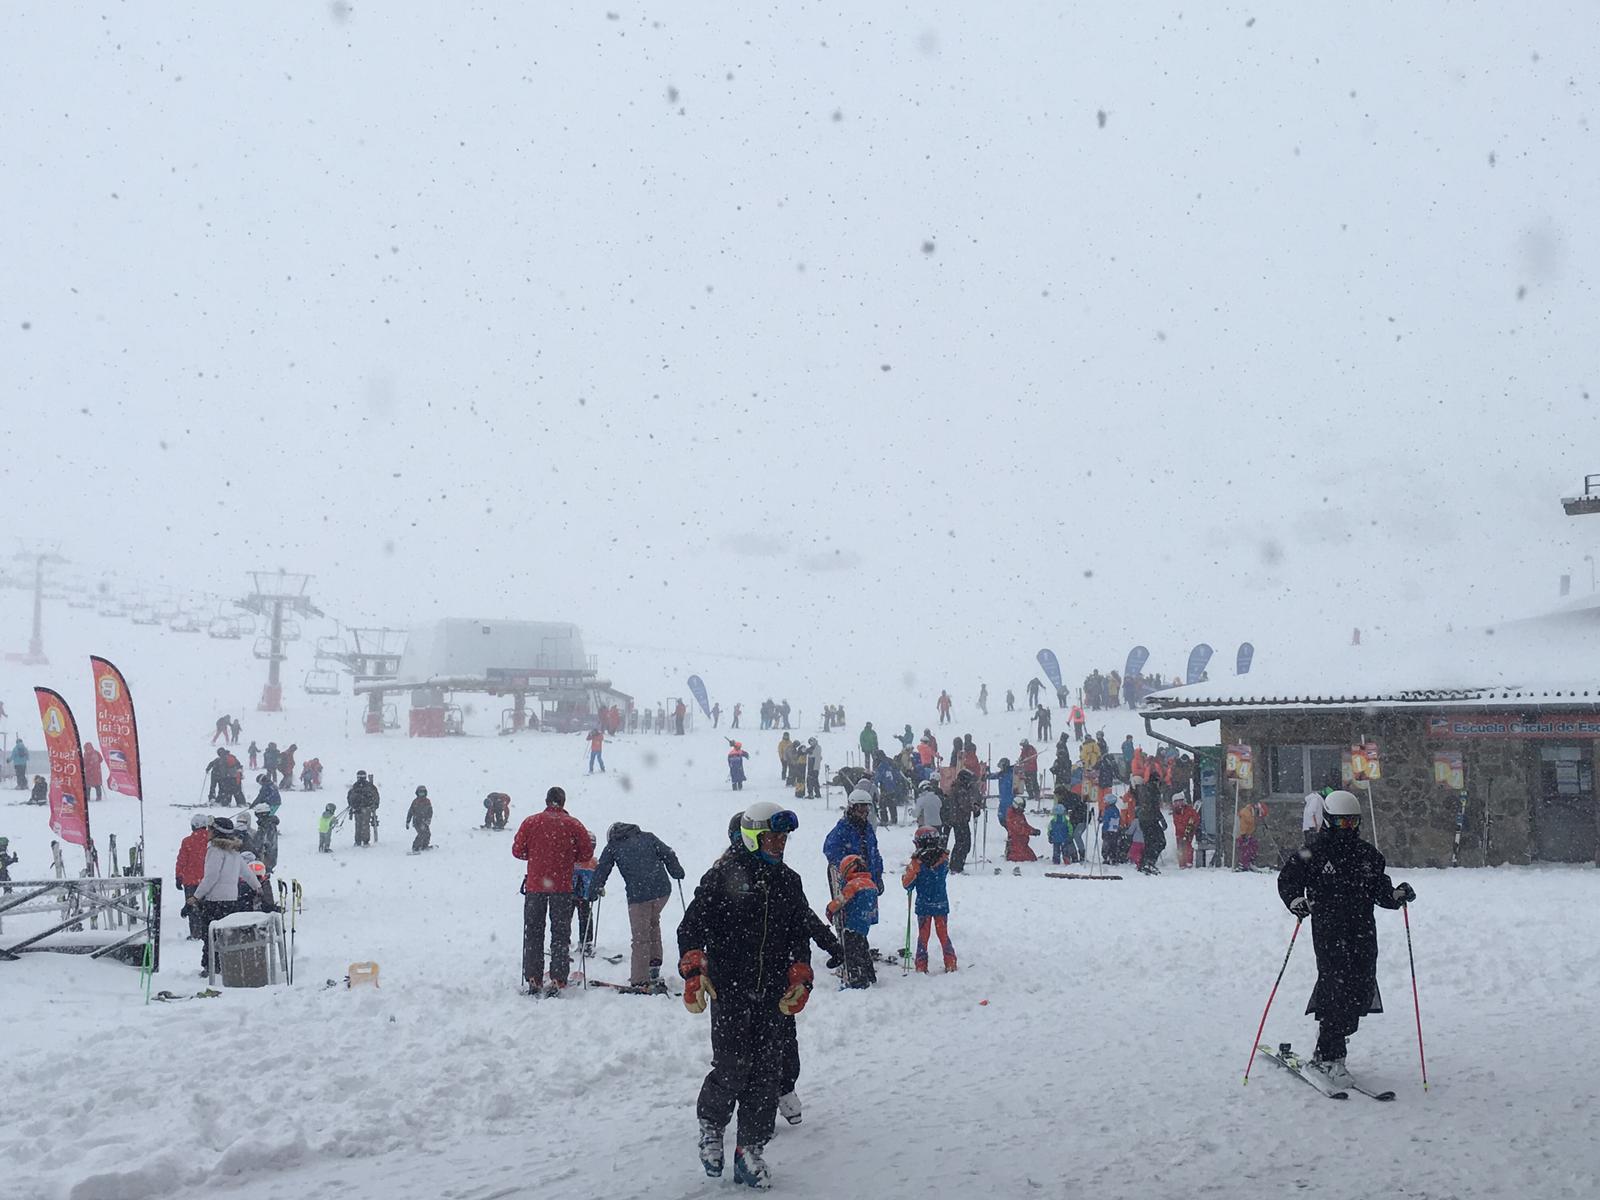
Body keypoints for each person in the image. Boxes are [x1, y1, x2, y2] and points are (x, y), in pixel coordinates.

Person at [678, 800, 816, 1189]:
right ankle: (711, 1125)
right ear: (753, 837)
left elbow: (797, 935)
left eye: (784, 838)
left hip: (772, 995)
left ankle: (750, 1150)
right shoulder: (723, 876)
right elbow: (690, 929)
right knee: (732, 1066)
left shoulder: (789, 882)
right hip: (731, 991)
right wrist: (693, 968)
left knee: (766, 1075)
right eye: (772, 837)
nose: (780, 844)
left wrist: (800, 974)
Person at [1277, 790, 1416, 1083]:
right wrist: (1295, 901)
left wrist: (1397, 894)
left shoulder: (1368, 855)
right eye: (1340, 823)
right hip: (1329, 930)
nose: (1347, 829)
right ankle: (1330, 1055)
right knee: (1335, 987)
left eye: (1352, 823)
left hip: (1362, 929)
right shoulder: (1312, 852)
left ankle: (1334, 1042)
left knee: (1361, 988)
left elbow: (1381, 891)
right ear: (1328, 821)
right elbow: (1287, 880)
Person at [512, 786, 595, 997]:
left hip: (535, 886)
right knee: (560, 933)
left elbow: (517, 850)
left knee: (533, 932)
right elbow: (586, 853)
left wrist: (536, 855)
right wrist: (567, 855)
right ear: (563, 802)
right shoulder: (573, 825)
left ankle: (533, 977)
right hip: (562, 886)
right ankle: (558, 978)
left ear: (547, 800)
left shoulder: (531, 822)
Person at [591, 822, 685, 991]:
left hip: (639, 895)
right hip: (662, 891)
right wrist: (676, 870)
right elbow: (668, 853)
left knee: (640, 936)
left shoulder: (613, 846)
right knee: (653, 923)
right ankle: (654, 964)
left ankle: (640, 979)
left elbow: (602, 868)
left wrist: (594, 888)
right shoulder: (648, 837)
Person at [186, 816, 267, 973]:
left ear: (216, 832)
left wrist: (196, 896)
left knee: (210, 935)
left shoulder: (214, 851)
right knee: (227, 934)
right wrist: (258, 888)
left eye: (210, 829)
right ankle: (227, 964)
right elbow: (247, 873)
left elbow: (211, 877)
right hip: (231, 899)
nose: (207, 831)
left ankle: (211, 967)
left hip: (214, 899)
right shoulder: (234, 852)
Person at [902, 826, 957, 972]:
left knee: (923, 936)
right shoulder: (944, 859)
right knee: (943, 934)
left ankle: (921, 964)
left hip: (924, 905)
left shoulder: (917, 863)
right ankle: (950, 962)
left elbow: (907, 883)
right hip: (941, 903)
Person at [825, 853, 879, 988]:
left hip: (852, 925)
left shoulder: (853, 885)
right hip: (864, 924)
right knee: (863, 949)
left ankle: (856, 980)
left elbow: (841, 901)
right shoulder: (871, 884)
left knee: (851, 955)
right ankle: (870, 975)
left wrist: (830, 909)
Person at [947, 768, 981, 873]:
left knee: (961, 843)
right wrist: (973, 808)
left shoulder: (958, 788)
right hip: (959, 820)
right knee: (964, 843)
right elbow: (964, 804)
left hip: (958, 819)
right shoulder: (960, 789)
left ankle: (956, 865)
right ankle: (956, 866)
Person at [1136, 773, 1167, 875]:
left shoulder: (1145, 789)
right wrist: (1161, 819)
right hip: (1150, 819)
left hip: (1144, 819)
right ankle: (1149, 862)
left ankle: (1144, 863)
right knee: (1160, 841)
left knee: (1150, 842)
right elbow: (1153, 807)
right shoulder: (1153, 790)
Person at [347, 770, 381, 846]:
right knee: (365, 825)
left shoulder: (355, 786)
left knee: (358, 825)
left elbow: (349, 796)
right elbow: (376, 796)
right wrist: (374, 806)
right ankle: (365, 841)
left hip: (358, 808)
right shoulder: (369, 786)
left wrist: (351, 805)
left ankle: (358, 841)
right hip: (366, 808)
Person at [1235, 799, 1265, 869]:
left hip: (1247, 834)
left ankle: (1250, 861)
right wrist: (1243, 835)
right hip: (1242, 835)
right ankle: (1243, 864)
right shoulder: (1246, 813)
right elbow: (1243, 825)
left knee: (1254, 845)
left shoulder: (1251, 813)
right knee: (1246, 849)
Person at [252, 802, 281, 874]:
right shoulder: (267, 824)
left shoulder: (266, 826)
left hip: (265, 860)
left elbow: (263, 843)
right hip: (267, 860)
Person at [406, 786, 433, 853]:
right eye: (420, 793)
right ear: (417, 793)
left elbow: (430, 811)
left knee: (427, 833)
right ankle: (415, 847)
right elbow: (410, 812)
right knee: (421, 833)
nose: (421, 795)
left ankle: (424, 845)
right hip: (417, 821)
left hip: (424, 821)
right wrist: (408, 821)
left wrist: (428, 819)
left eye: (423, 793)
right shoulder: (415, 802)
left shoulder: (427, 801)